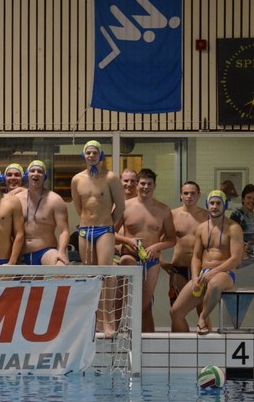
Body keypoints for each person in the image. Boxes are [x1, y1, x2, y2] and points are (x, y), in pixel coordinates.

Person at [70, 141, 126, 338]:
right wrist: (88, 221)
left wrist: (108, 224)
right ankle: (95, 320)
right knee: (91, 276)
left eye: (95, 153)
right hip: (85, 230)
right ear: (83, 155)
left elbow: (120, 206)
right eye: (88, 153)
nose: (91, 156)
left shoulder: (110, 178)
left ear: (100, 155)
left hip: (104, 230)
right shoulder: (77, 179)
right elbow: (79, 207)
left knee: (106, 274)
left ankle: (108, 320)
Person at [170, 190, 244, 334]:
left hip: (225, 273)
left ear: (225, 205)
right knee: (175, 313)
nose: (214, 206)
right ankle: (185, 345)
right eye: (212, 203)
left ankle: (203, 317)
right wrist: (194, 277)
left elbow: (236, 259)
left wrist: (213, 272)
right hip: (203, 273)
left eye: (218, 203)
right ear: (207, 204)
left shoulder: (234, 228)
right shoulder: (202, 228)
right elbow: (196, 257)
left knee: (214, 284)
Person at [116, 168, 176, 332]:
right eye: (142, 183)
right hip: (129, 256)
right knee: (124, 300)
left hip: (151, 261)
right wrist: (128, 241)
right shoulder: (125, 207)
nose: (146, 187)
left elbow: (172, 239)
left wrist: (157, 246)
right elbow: (110, 233)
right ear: (137, 185)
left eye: (149, 184)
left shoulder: (163, 210)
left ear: (154, 186)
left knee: (144, 306)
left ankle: (146, 341)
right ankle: (119, 333)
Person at [14, 160, 69, 265]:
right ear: (27, 174)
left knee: (60, 267)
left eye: (39, 171)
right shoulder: (17, 199)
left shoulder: (55, 200)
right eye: (32, 171)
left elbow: (64, 231)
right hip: (20, 253)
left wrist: (61, 252)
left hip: (45, 251)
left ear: (45, 176)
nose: (35, 174)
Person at [164, 181, 207, 306]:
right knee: (176, 307)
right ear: (181, 195)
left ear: (199, 195)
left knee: (201, 308)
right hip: (179, 267)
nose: (189, 196)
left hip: (201, 269)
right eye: (186, 193)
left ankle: (202, 321)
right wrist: (162, 262)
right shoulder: (172, 215)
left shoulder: (207, 216)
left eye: (193, 193)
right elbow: (157, 239)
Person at [230, 183, 254, 258]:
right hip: (245, 257)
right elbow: (233, 238)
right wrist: (245, 256)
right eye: (249, 198)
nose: (252, 201)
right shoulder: (237, 214)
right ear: (243, 199)